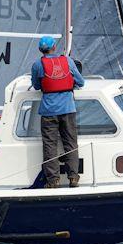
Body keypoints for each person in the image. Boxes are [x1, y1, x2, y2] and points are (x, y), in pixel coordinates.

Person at [31, 36, 85, 188]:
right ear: (54, 47)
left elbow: (35, 86)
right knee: (71, 143)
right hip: (68, 109)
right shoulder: (67, 61)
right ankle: (73, 177)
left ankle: (53, 181)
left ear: (41, 50)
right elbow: (81, 82)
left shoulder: (37, 64)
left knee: (50, 145)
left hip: (48, 111)